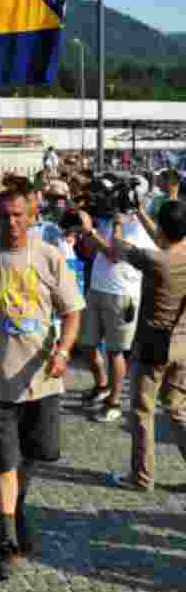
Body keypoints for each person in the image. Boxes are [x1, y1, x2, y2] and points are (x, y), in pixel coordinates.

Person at [0, 186, 84, 581]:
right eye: (3, 216)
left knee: (37, 453)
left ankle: (17, 505)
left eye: (17, 215)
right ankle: (8, 536)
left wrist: (63, 351)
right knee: (3, 461)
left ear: (32, 216)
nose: (10, 223)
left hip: (42, 382)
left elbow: (73, 312)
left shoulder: (49, 257)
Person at [84, 202, 186, 492]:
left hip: (155, 346)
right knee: (177, 409)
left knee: (143, 410)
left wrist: (114, 222)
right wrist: (140, 211)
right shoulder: (178, 252)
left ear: (163, 228)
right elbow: (163, 238)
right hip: (183, 344)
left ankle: (142, 476)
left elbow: (116, 249)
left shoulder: (155, 260)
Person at [79, 208, 147, 423]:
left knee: (115, 351)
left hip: (122, 294)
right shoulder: (110, 221)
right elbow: (93, 251)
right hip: (97, 289)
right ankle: (102, 385)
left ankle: (114, 401)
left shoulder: (140, 228)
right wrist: (86, 231)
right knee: (87, 344)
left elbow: (115, 254)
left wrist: (96, 231)